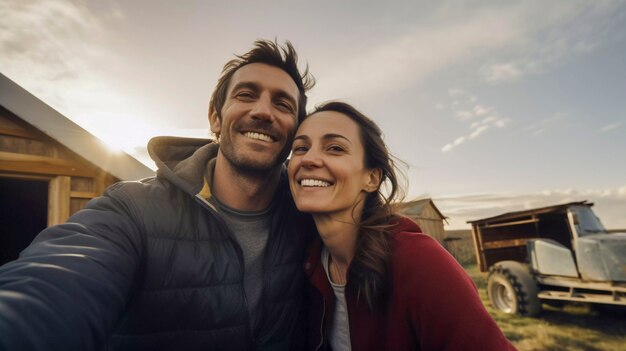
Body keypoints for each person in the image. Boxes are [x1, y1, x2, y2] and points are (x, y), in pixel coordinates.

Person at [0, 40, 315, 351]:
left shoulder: (313, 215)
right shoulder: (133, 208)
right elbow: (56, 281)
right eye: (246, 95)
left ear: (297, 131)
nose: (263, 111)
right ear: (215, 118)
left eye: (283, 104)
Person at [288, 101, 517, 351]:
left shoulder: (421, 262)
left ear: (372, 178)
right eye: (300, 148)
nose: (308, 158)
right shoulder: (310, 262)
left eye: (334, 148)